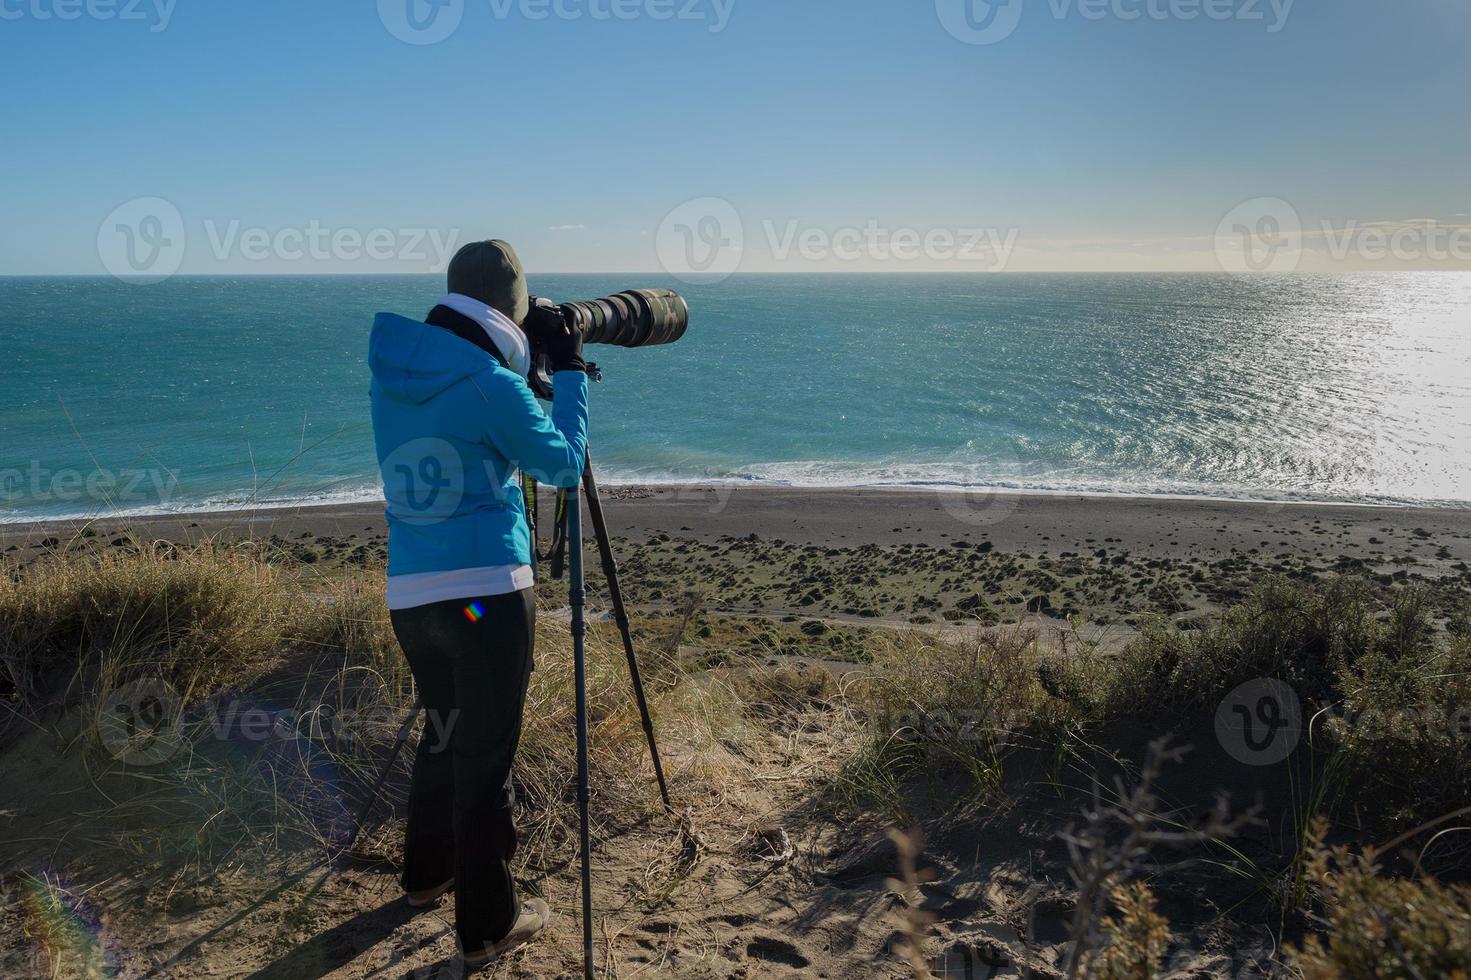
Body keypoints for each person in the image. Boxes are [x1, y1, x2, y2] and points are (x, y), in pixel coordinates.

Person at [367, 239, 588, 968]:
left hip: (413, 598)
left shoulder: (396, 374)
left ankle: (425, 876)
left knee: (442, 731)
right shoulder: (493, 383)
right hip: (485, 599)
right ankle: (490, 924)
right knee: (484, 757)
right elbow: (560, 463)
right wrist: (573, 374)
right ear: (511, 312)